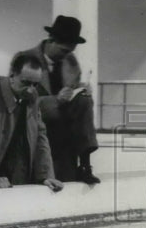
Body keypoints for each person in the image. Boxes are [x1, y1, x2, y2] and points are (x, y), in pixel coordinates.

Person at [0, 52, 64, 192]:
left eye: (35, 84)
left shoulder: (31, 96)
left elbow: (40, 137)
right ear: (11, 75)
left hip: (8, 166)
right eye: (25, 83)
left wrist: (45, 176)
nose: (31, 90)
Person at [20, 15, 100, 184]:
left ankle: (85, 165)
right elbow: (19, 101)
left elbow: (74, 88)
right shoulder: (24, 59)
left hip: (64, 126)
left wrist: (82, 88)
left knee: (84, 100)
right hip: (37, 122)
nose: (66, 56)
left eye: (70, 51)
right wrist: (55, 100)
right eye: (64, 50)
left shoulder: (70, 61)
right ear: (51, 40)